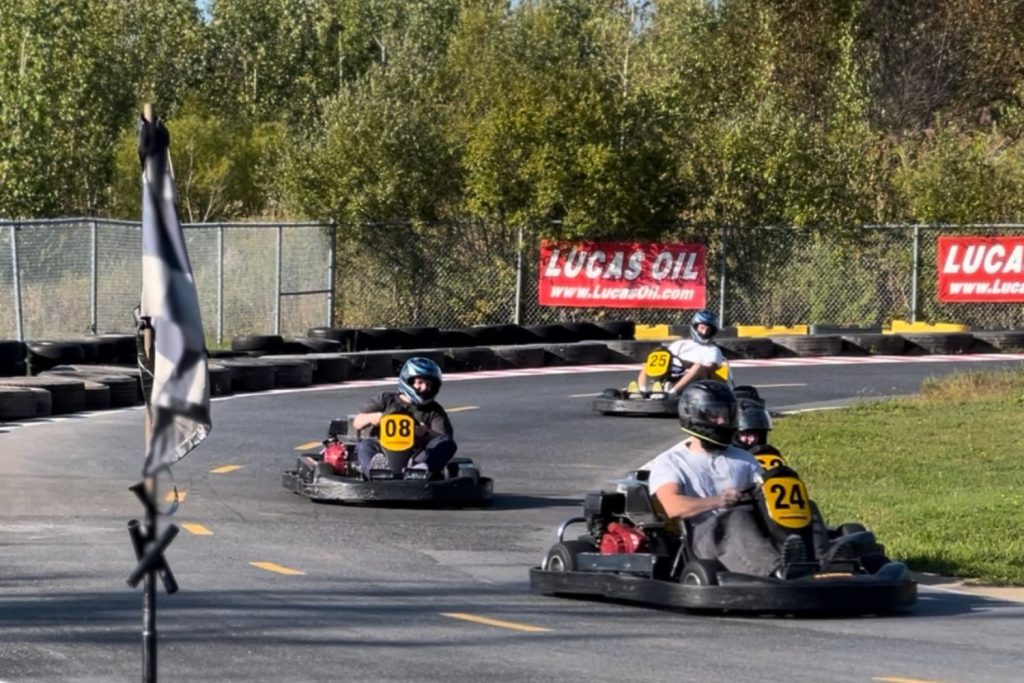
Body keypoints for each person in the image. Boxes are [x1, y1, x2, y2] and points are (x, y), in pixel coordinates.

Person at [648, 380, 807, 578]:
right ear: (694, 414)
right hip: (701, 539)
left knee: (808, 508)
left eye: (727, 415)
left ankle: (824, 562)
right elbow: (671, 506)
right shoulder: (671, 461)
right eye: (715, 415)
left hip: (749, 532)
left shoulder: (744, 458)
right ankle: (777, 571)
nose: (723, 421)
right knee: (736, 516)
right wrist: (717, 501)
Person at [351, 357, 457, 477]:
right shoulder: (385, 399)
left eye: (429, 384)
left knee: (448, 445)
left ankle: (419, 471)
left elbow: (444, 438)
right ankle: (376, 472)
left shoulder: (434, 410)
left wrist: (426, 433)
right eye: (420, 383)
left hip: (416, 456)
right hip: (382, 451)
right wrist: (374, 417)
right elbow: (357, 422)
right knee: (364, 445)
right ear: (408, 381)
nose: (425, 388)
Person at [635, 309, 725, 398]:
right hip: (675, 374)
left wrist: (688, 369)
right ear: (695, 327)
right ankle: (643, 390)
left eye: (708, 330)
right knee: (652, 359)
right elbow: (665, 357)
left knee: (698, 367)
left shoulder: (713, 349)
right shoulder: (680, 344)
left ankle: (671, 393)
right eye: (702, 328)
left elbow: (710, 368)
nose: (704, 332)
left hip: (698, 382)